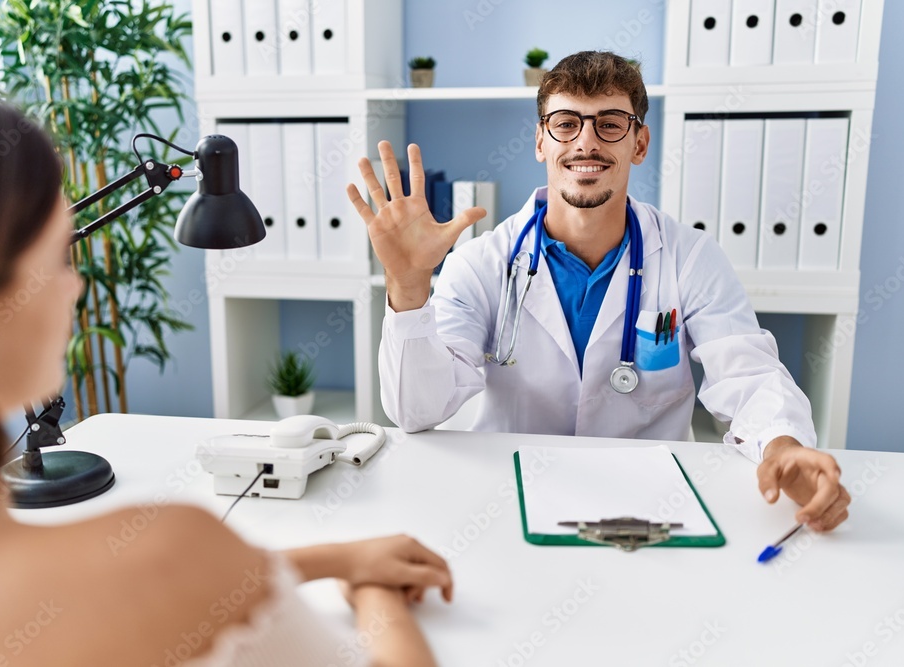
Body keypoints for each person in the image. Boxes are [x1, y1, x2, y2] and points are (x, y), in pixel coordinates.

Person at [0, 90, 452, 666]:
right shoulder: (177, 551)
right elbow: (170, 582)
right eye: (55, 256)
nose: (74, 286)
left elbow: (122, 594)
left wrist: (330, 559)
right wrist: (376, 597)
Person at [347, 51, 850, 533]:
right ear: (541, 141)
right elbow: (416, 411)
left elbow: (750, 375)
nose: (586, 142)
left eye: (610, 123)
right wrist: (409, 286)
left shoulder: (690, 257)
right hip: (506, 499)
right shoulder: (482, 262)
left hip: (651, 502)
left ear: (640, 142)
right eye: (566, 123)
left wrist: (782, 446)